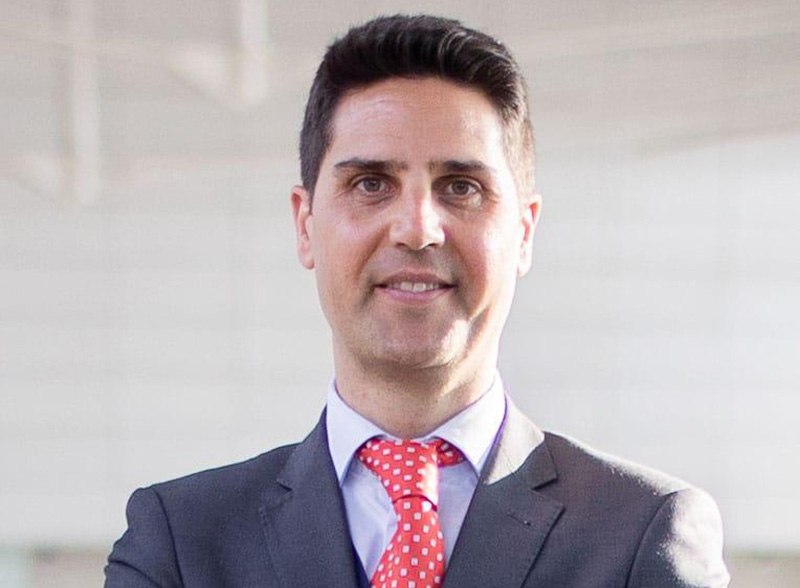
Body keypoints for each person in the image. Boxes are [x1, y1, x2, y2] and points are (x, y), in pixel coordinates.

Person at [105, 14, 730, 588]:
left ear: (524, 232)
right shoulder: (180, 544)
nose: (417, 228)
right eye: (371, 183)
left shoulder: (642, 534)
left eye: (461, 187)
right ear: (305, 224)